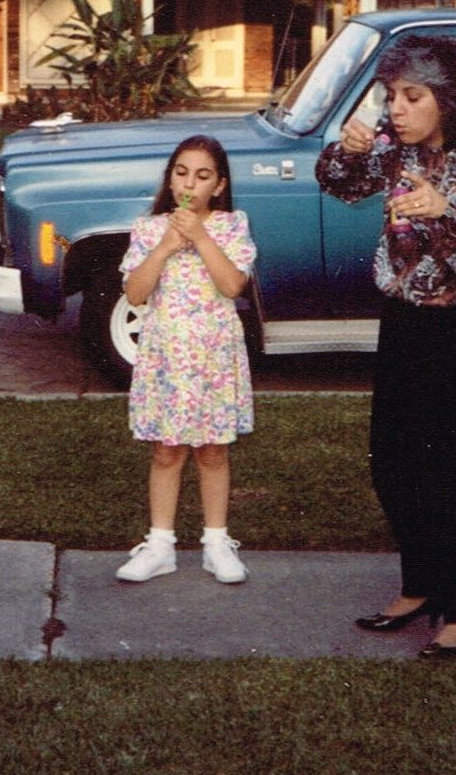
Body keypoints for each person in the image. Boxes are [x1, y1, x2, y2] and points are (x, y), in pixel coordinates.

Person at [315, 34, 456, 658]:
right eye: (391, 96)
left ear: (445, 99)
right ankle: (421, 583)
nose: (396, 109)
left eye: (411, 97)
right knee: (394, 459)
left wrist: (444, 211)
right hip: (406, 322)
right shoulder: (393, 149)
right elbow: (339, 182)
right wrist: (347, 148)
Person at [115, 135, 257, 584]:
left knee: (213, 451)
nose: (189, 184)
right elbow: (135, 293)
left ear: (218, 185)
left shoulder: (232, 225)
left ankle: (217, 543)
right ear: (170, 178)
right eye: (181, 172)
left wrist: (199, 236)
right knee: (167, 450)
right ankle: (160, 545)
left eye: (202, 175)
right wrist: (165, 247)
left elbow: (233, 286)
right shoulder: (148, 228)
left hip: (213, 353)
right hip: (166, 355)